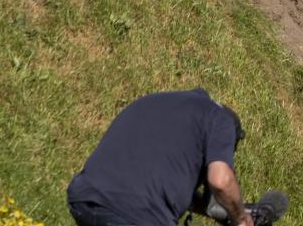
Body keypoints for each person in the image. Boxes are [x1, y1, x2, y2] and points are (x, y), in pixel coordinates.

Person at [68, 89, 253, 226]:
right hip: (135, 216)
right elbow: (221, 181)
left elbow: (155, 186)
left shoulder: (163, 102)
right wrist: (241, 219)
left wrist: (226, 209)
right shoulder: (221, 120)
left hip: (85, 198)